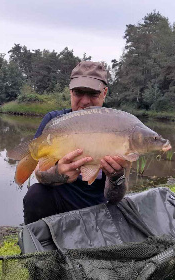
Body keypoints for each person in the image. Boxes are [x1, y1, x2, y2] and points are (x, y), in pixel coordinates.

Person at [23, 61, 128, 225]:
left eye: (93, 94)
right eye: (79, 92)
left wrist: (116, 177)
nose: (85, 101)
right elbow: (39, 174)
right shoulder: (54, 121)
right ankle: (40, 245)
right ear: (70, 91)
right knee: (35, 194)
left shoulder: (118, 128)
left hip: (97, 208)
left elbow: (114, 197)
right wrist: (58, 174)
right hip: (59, 202)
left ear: (104, 92)